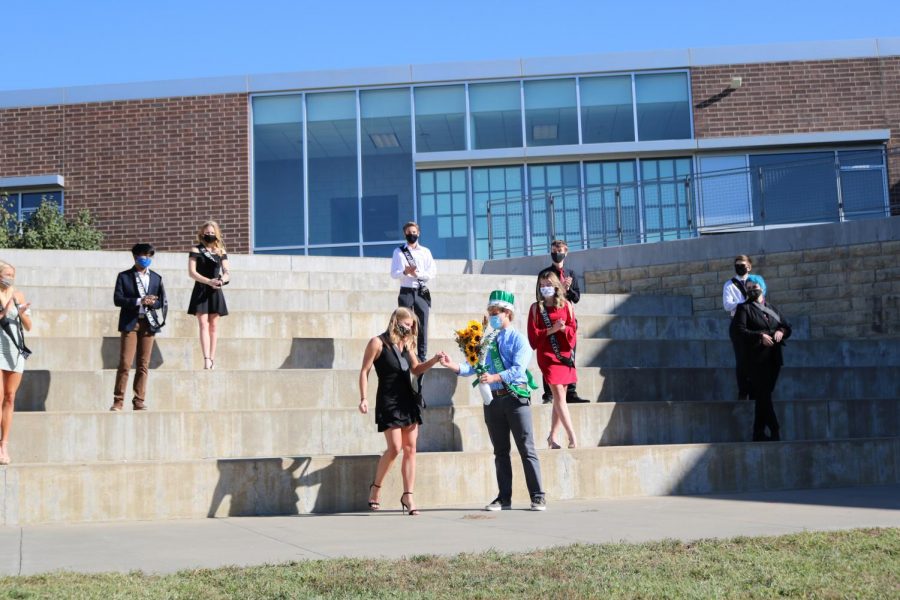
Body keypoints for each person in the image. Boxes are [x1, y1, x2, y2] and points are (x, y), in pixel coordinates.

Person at [440, 290, 547, 512]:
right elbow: (475, 366)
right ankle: (504, 497)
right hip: (493, 401)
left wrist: (495, 377)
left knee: (526, 449)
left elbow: (518, 370)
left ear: (507, 312)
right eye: (489, 312)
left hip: (516, 399)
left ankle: (538, 496)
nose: (491, 316)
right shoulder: (487, 340)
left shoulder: (519, 340)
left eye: (494, 312)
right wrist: (453, 366)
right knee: (500, 452)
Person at [358, 307, 443, 516]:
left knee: (410, 448)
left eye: (412, 325)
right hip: (388, 401)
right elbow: (364, 370)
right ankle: (376, 488)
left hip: (407, 401)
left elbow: (415, 369)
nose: (410, 328)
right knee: (395, 448)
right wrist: (363, 398)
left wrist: (433, 360)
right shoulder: (377, 343)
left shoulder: (407, 344)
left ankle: (408, 496)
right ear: (396, 321)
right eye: (407, 324)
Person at [730, 275, 792, 442]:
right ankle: (775, 429)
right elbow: (739, 331)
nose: (751, 289)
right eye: (749, 287)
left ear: (762, 287)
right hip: (755, 360)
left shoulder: (772, 308)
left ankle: (758, 433)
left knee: (763, 396)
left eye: (754, 286)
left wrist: (781, 332)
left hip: (773, 359)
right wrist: (760, 336)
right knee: (764, 394)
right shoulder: (744, 309)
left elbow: (786, 326)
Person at [112, 244, 167, 412]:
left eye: (149, 256)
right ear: (135, 257)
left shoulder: (156, 278)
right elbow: (118, 299)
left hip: (148, 323)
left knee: (143, 364)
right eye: (143, 256)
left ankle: (139, 400)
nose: (146, 259)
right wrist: (139, 301)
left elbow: (161, 301)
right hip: (131, 322)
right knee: (125, 363)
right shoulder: (124, 276)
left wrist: (152, 302)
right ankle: (118, 401)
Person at [528, 270, 578, 449]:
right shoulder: (536, 308)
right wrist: (552, 329)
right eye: (542, 285)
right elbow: (533, 337)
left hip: (563, 355)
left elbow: (573, 331)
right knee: (557, 393)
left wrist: (563, 330)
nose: (545, 288)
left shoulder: (567, 306)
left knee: (560, 398)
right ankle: (572, 436)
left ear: (555, 285)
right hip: (547, 356)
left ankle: (552, 437)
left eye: (548, 284)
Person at [542, 240, 587, 404]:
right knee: (549, 355)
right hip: (551, 319)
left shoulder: (571, 274)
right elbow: (543, 296)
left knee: (570, 355)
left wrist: (568, 290)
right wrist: (559, 287)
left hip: (568, 320)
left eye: (559, 250)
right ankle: (548, 394)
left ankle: (571, 392)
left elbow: (577, 298)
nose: (556, 253)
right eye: (553, 250)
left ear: (566, 252)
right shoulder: (546, 274)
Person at [0, 261, 32, 465]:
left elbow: (28, 326)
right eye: (7, 274)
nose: (10, 277)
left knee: (10, 398)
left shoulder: (18, 295)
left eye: (12, 274)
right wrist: (5, 311)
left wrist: (20, 312)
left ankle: (4, 444)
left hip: (14, 351)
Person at [391, 221, 435, 365]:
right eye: (409, 233)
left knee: (422, 324)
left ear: (418, 233)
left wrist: (418, 274)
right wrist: (405, 271)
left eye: (414, 232)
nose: (412, 235)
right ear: (405, 234)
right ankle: (406, 354)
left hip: (421, 290)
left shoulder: (425, 252)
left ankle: (422, 356)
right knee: (404, 324)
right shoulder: (398, 252)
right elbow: (393, 274)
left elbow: (432, 271)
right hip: (406, 291)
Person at [188, 221, 230, 370]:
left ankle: (212, 358)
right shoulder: (196, 249)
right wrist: (208, 281)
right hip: (201, 288)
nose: (210, 235)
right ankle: (206, 358)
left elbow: (227, 272)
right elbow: (192, 272)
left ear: (216, 234)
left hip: (215, 290)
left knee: (213, 325)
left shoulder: (221, 251)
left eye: (212, 233)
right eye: (207, 232)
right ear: (202, 233)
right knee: (203, 324)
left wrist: (222, 280)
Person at [723, 254, 754, 400]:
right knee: (741, 360)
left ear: (749, 266)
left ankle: (755, 390)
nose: (739, 267)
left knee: (756, 359)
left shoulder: (755, 282)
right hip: (738, 324)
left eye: (742, 264)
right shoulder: (729, 284)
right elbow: (727, 305)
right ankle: (743, 391)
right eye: (737, 265)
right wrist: (744, 303)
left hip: (754, 323)